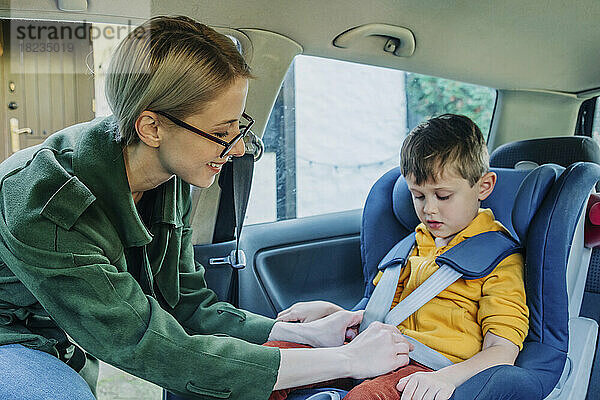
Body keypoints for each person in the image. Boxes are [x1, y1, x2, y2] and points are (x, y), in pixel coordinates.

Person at [0, 16, 413, 400]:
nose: (235, 149)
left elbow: (185, 303)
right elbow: (146, 343)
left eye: (238, 127)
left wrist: (305, 334)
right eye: (220, 133)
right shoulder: (46, 203)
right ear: (152, 127)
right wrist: (345, 360)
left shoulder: (170, 174)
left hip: (65, 332)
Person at [273, 114, 529, 400]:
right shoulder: (412, 244)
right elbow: (380, 313)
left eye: (442, 196)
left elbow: (502, 350)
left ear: (483, 186)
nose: (429, 209)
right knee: (273, 362)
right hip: (374, 350)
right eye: (418, 196)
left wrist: (447, 379)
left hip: (427, 369)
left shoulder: (499, 261)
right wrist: (335, 313)